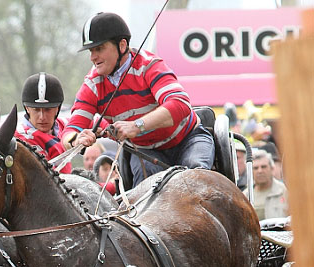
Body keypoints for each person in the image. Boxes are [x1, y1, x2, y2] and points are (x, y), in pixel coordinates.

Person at [63, 12, 215, 187]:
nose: (92, 57)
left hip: (188, 141)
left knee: (196, 183)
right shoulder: (92, 84)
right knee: (146, 195)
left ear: (122, 45)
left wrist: (137, 126)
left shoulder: (149, 66)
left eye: (99, 49)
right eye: (91, 51)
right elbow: (70, 131)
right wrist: (76, 140)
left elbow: (180, 105)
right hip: (146, 152)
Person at [15, 73, 71, 173]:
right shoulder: (20, 139)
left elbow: (91, 120)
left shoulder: (64, 125)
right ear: (27, 108)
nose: (42, 117)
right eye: (36, 110)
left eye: (48, 110)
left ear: (57, 108)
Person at [249, 149, 289, 221]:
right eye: (255, 168)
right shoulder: (246, 196)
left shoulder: (286, 192)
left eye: (264, 167)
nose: (260, 171)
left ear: (272, 169)